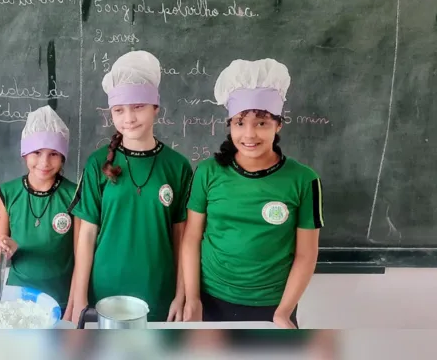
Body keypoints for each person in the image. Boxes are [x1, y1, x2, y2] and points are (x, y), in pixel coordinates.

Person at [181, 58, 324, 329]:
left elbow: (306, 254)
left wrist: (283, 312)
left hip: (272, 305)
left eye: (261, 123)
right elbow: (191, 237)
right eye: (239, 123)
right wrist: (192, 297)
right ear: (229, 125)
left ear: (278, 125)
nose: (249, 134)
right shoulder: (208, 172)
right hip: (210, 299)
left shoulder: (304, 180)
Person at [69, 50, 194, 323]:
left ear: (155, 108)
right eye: (119, 110)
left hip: (158, 290)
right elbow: (87, 234)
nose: (129, 118)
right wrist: (79, 298)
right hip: (105, 287)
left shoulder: (177, 166)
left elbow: (183, 238)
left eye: (138, 107)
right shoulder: (97, 163)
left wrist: (180, 294)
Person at [0, 105, 78, 319]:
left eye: (53, 154)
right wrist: (5, 248)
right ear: (24, 153)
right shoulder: (7, 193)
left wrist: (72, 307)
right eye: (37, 152)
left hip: (62, 298)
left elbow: (82, 255)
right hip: (18, 298)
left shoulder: (74, 194)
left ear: (63, 157)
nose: (44, 162)